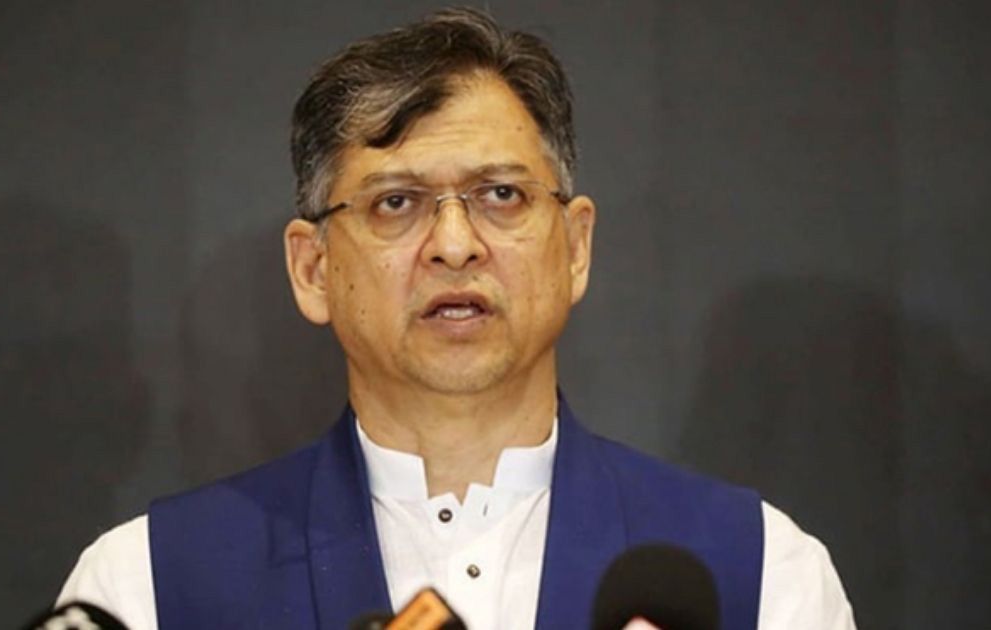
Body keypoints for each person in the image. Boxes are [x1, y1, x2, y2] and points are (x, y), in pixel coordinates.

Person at [57, 8, 855, 630]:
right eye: (395, 202)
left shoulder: (760, 576)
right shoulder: (144, 588)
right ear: (313, 269)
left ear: (576, 248)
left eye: (500, 194)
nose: (453, 244)